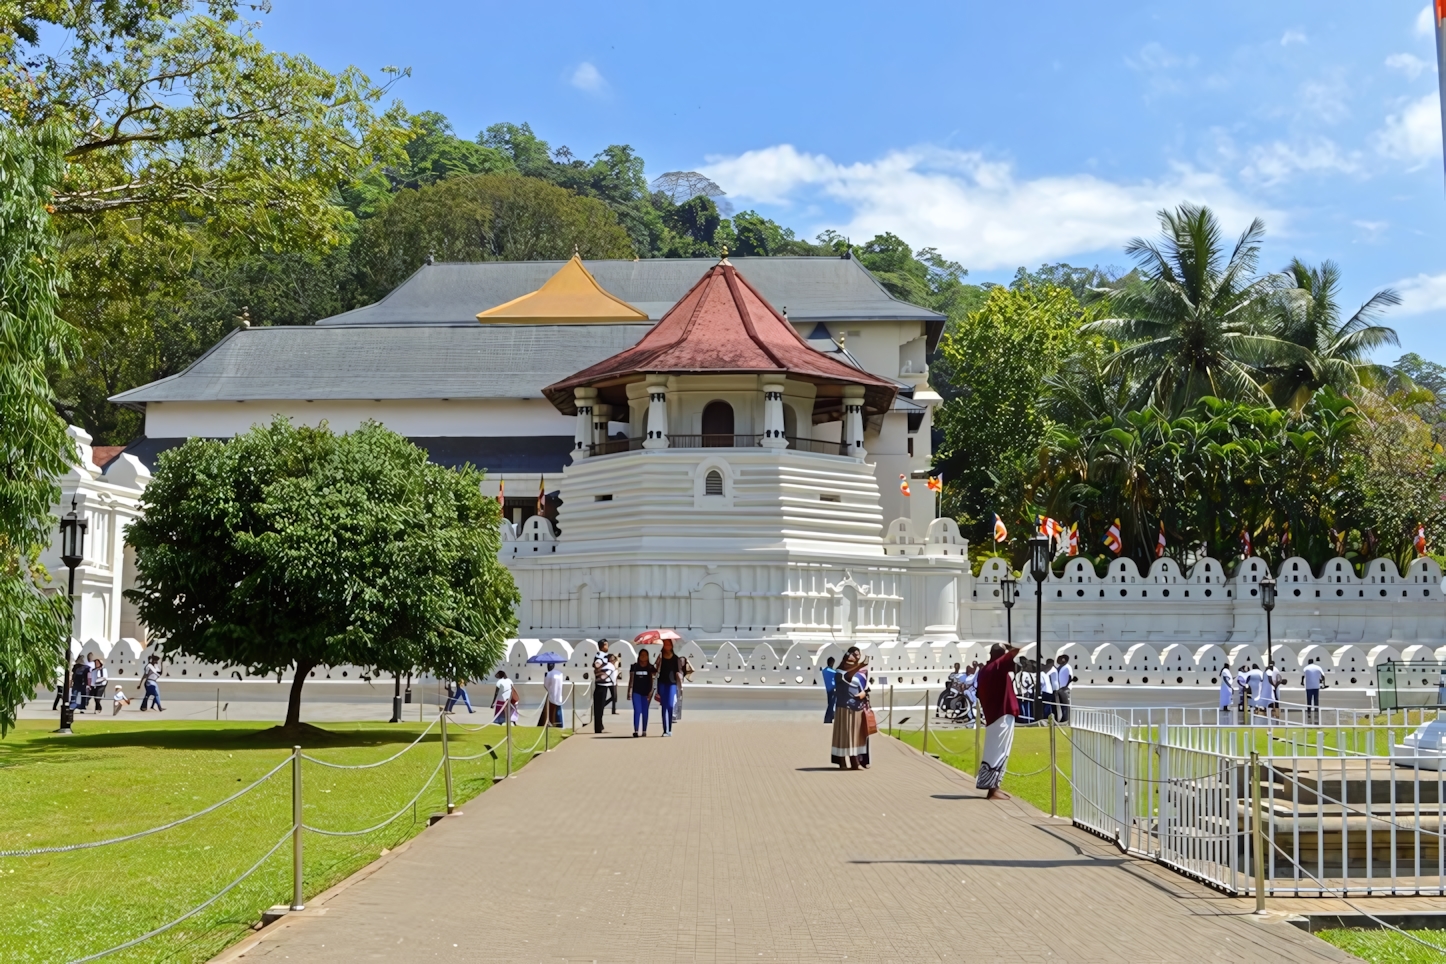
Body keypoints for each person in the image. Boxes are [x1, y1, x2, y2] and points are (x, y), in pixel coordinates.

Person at [975, 643, 1022, 800]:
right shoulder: (997, 666)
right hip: (1001, 715)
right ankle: (992, 789)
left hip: (993, 715)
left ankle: (992, 786)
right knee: (1000, 752)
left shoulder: (985, 670)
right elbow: (1016, 651)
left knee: (994, 750)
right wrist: (1010, 646)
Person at [829, 647, 871, 770]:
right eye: (854, 654)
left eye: (858, 654)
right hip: (844, 708)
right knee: (845, 735)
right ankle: (842, 761)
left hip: (857, 708)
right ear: (847, 655)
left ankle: (855, 761)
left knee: (857, 736)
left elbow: (867, 686)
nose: (857, 657)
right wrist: (859, 666)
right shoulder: (840, 671)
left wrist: (864, 693)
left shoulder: (861, 672)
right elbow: (846, 678)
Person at [655, 640, 683, 736]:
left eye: (669, 644)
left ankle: (669, 729)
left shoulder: (676, 658)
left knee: (670, 705)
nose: (667, 646)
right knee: (664, 706)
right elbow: (655, 669)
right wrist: (657, 662)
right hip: (662, 683)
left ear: (671, 646)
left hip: (672, 683)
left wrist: (679, 676)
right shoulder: (661, 657)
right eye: (665, 644)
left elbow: (680, 671)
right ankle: (665, 730)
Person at [627, 649, 657, 737]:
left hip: (646, 693)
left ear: (648, 657)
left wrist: (651, 692)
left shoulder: (651, 667)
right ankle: (636, 730)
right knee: (637, 710)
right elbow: (631, 680)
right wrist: (629, 691)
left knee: (645, 711)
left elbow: (654, 680)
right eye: (642, 655)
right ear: (639, 656)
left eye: (645, 655)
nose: (643, 657)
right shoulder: (634, 667)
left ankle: (644, 730)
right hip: (636, 691)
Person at [592, 643, 614, 733]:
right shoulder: (600, 655)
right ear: (602, 646)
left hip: (603, 683)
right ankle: (598, 728)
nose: (607, 647)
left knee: (600, 707)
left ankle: (599, 726)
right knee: (599, 708)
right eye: (606, 645)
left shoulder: (600, 655)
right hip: (602, 683)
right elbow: (597, 665)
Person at [539, 663, 565, 728]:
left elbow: (546, 685)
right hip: (559, 695)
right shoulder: (560, 673)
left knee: (551, 711)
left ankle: (551, 723)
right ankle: (560, 724)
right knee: (558, 710)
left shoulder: (549, 674)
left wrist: (545, 677)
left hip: (552, 696)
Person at [1054, 655, 1073, 724]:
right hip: (1059, 689)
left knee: (1066, 705)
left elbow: (1070, 677)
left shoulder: (1067, 667)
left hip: (1065, 689)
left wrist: (1066, 686)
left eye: (1059, 659)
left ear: (1063, 659)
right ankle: (1062, 718)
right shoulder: (1059, 667)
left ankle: (1066, 719)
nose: (1057, 660)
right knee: (1061, 705)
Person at [821, 656, 839, 723]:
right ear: (831, 662)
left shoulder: (825, 670)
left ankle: (831, 715)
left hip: (828, 688)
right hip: (832, 688)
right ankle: (828, 718)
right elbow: (837, 674)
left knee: (830, 702)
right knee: (831, 703)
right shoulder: (831, 671)